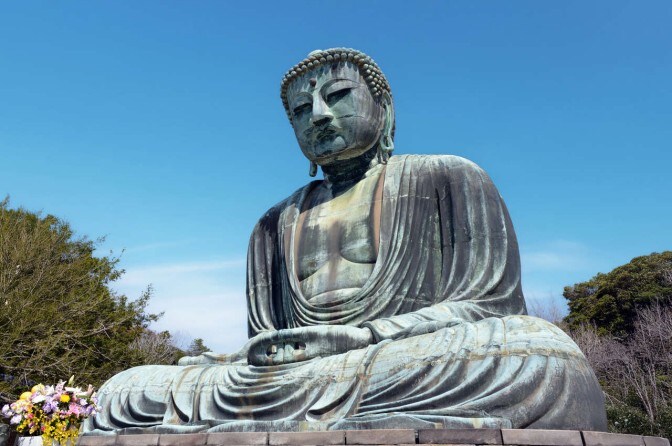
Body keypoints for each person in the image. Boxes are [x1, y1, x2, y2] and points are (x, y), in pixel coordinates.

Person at [84, 48, 607, 434]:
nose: (317, 115)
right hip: (298, 379)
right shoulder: (272, 223)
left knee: (542, 355)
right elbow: (265, 344)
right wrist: (245, 358)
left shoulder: (448, 177)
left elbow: (489, 308)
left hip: (399, 359)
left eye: (336, 96)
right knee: (125, 391)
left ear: (384, 108)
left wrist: (361, 338)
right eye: (299, 110)